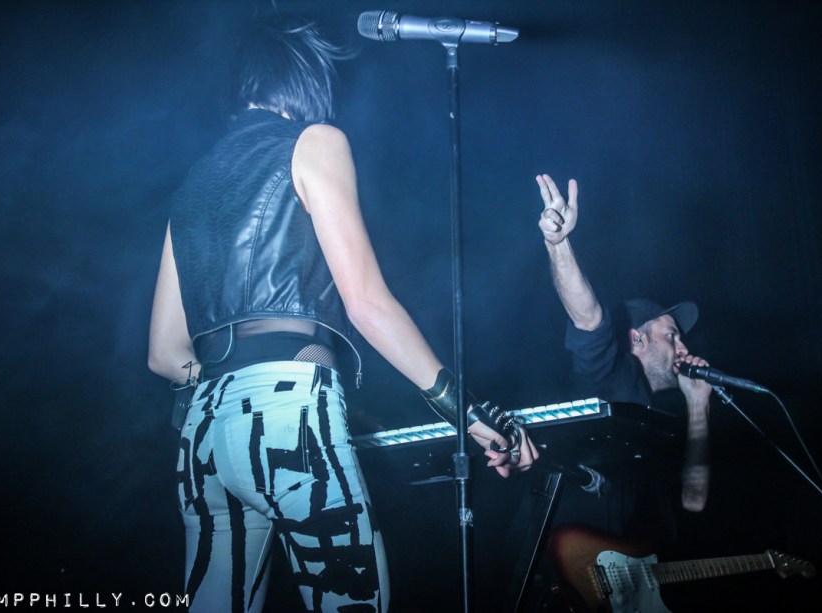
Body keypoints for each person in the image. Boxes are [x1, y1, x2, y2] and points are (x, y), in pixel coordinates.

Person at [147, 19, 537, 613]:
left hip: (202, 434)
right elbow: (367, 305)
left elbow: (163, 355)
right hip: (286, 412)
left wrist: (230, 393)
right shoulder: (314, 141)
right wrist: (467, 411)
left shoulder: (193, 184)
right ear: (306, 79)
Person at [534, 173, 711, 553]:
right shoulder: (610, 376)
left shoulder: (660, 423)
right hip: (566, 566)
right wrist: (559, 244)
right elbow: (588, 319)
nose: (682, 346)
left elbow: (694, 501)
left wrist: (698, 406)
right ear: (637, 338)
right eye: (671, 334)